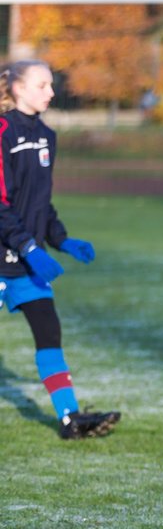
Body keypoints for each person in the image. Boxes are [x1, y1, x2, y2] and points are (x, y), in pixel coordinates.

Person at [0, 59, 120, 439]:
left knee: (49, 332)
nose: (51, 92)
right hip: (6, 255)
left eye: (51, 85)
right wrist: (30, 247)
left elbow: (39, 203)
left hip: (25, 261)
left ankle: (69, 419)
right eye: (42, 85)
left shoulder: (48, 136)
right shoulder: (1, 132)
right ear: (18, 89)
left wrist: (61, 238)